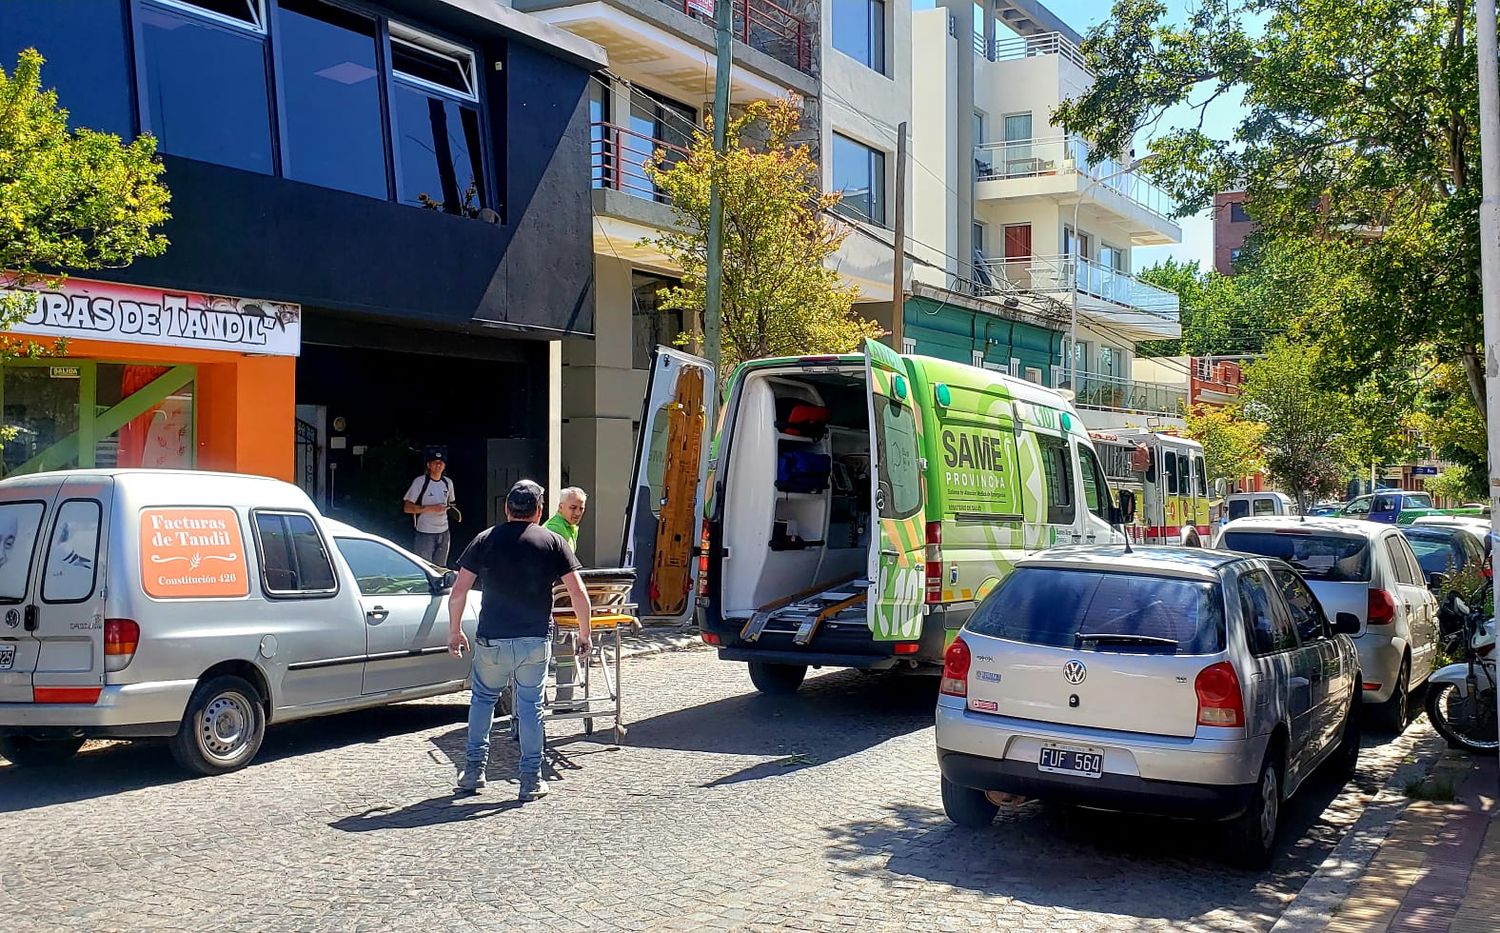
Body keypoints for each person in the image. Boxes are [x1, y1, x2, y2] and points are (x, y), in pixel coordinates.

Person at [448, 480, 591, 801]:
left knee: (482, 702)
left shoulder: (484, 539)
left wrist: (454, 630)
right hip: (534, 640)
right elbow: (578, 592)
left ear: (507, 509)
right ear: (539, 511)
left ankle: (473, 772)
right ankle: (530, 779)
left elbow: (458, 592)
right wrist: (585, 633)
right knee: (530, 708)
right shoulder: (553, 541)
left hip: (492, 639)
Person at [403, 448, 455, 566]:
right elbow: (407, 507)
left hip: (444, 531)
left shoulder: (448, 483)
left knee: (441, 567)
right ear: (429, 465)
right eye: (435, 462)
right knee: (423, 566)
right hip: (425, 532)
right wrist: (430, 508)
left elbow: (451, 503)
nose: (438, 465)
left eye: (441, 462)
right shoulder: (420, 482)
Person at [543, 487, 587, 551]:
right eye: (573, 508)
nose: (578, 513)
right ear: (561, 507)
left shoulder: (569, 526)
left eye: (581, 509)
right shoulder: (554, 528)